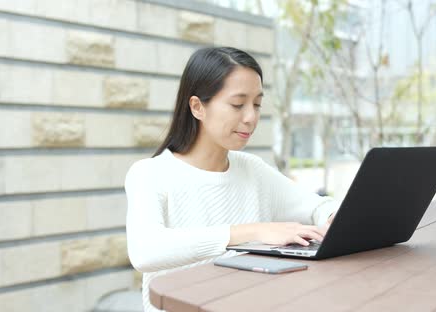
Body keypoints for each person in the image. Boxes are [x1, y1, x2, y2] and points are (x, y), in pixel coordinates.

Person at [124, 47, 340, 311]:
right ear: (197, 107)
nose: (251, 117)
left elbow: (318, 206)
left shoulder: (253, 170)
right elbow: (145, 251)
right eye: (238, 104)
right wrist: (251, 231)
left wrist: (332, 219)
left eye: (257, 104)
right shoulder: (149, 173)